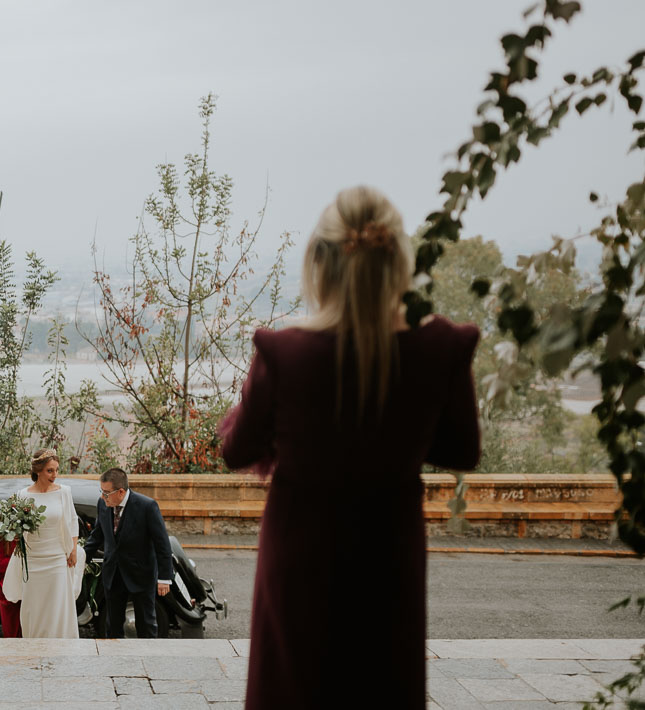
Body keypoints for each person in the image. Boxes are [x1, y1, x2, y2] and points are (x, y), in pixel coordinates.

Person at [218, 186, 482, 709]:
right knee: (383, 683)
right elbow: (462, 450)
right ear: (399, 261)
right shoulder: (440, 347)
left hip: (300, 555)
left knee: (294, 686)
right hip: (389, 550)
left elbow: (236, 449)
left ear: (320, 262)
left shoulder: (285, 351)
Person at [0, 447, 85, 637]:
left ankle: (60, 647)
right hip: (33, 560)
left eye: (56, 470)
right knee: (35, 607)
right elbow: (17, 529)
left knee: (57, 607)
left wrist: (72, 550)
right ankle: (35, 646)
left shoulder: (64, 492)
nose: (55, 475)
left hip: (56, 559)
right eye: (50, 470)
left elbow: (72, 521)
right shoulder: (23, 495)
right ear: (38, 470)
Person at [83, 467, 173, 638]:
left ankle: (146, 660)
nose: (103, 496)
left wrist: (164, 578)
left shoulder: (147, 506)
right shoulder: (103, 503)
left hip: (141, 574)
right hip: (113, 574)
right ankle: (115, 660)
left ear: (121, 491)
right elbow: (97, 535)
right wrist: (81, 559)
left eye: (107, 492)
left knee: (146, 624)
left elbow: (162, 544)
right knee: (112, 625)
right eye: (101, 491)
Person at [0, 529, 22, 638]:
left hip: (26, 586)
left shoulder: (27, 532)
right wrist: (21, 562)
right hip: (8, 586)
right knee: (12, 628)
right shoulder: (1, 535)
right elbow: (0, 564)